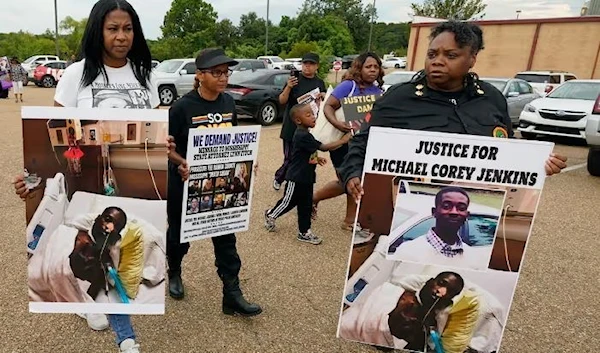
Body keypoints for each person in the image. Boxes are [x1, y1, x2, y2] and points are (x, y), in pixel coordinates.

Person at [13, 0, 158, 351]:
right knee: (91, 240)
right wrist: (32, 178)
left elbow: (155, 126)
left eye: (127, 29)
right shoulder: (78, 74)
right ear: (98, 31)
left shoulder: (146, 74)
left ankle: (105, 307)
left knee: (112, 241)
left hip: (119, 170)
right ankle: (106, 318)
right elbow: (54, 131)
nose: (121, 37)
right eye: (113, 29)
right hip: (85, 168)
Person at [339, 21, 568, 205]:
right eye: (432, 54)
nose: (437, 62)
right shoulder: (398, 99)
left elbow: (506, 151)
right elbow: (362, 142)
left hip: (477, 208)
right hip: (408, 206)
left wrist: (538, 162)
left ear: (472, 59)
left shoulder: (491, 99)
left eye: (450, 55)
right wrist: (353, 173)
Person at [165, 48, 262, 317]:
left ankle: (232, 293)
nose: (223, 78)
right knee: (178, 236)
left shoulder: (228, 104)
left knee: (226, 239)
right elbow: (167, 147)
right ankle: (174, 271)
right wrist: (181, 162)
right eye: (216, 72)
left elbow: (233, 141)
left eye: (226, 72)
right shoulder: (182, 107)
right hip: (186, 185)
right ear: (199, 75)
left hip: (223, 184)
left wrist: (247, 160)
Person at [312, 52, 384, 231]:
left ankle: (349, 220)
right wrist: (339, 124)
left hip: (364, 143)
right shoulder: (348, 86)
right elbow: (328, 106)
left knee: (356, 180)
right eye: (368, 66)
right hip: (342, 143)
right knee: (347, 181)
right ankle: (313, 199)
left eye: (376, 67)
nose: (373, 70)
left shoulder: (379, 91)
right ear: (359, 68)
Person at [264, 103, 351, 245]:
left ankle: (304, 232)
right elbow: (322, 147)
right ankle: (271, 214)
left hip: (307, 178)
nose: (313, 117)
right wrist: (342, 140)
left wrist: (316, 159)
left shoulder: (307, 134)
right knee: (288, 202)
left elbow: (306, 152)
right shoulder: (301, 135)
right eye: (308, 115)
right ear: (298, 121)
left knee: (306, 206)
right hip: (296, 178)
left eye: (313, 114)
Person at [339, 272, 465, 350]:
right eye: (441, 283)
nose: (441, 292)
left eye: (450, 292)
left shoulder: (431, 323)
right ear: (430, 281)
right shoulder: (390, 291)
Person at [392, 186, 488, 269]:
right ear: (434, 212)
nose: (454, 212)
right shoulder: (408, 251)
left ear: (467, 215)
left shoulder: (475, 258)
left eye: (461, 208)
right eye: (446, 206)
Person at [273, 53, 326, 191]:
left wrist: (324, 96)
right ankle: (280, 178)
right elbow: (282, 100)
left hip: (311, 127)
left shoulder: (319, 82)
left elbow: (325, 102)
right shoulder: (294, 80)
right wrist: (288, 87)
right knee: (290, 158)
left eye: (311, 64)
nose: (307, 66)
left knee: (309, 158)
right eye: (305, 63)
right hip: (291, 127)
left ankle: (301, 184)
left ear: (317, 66)